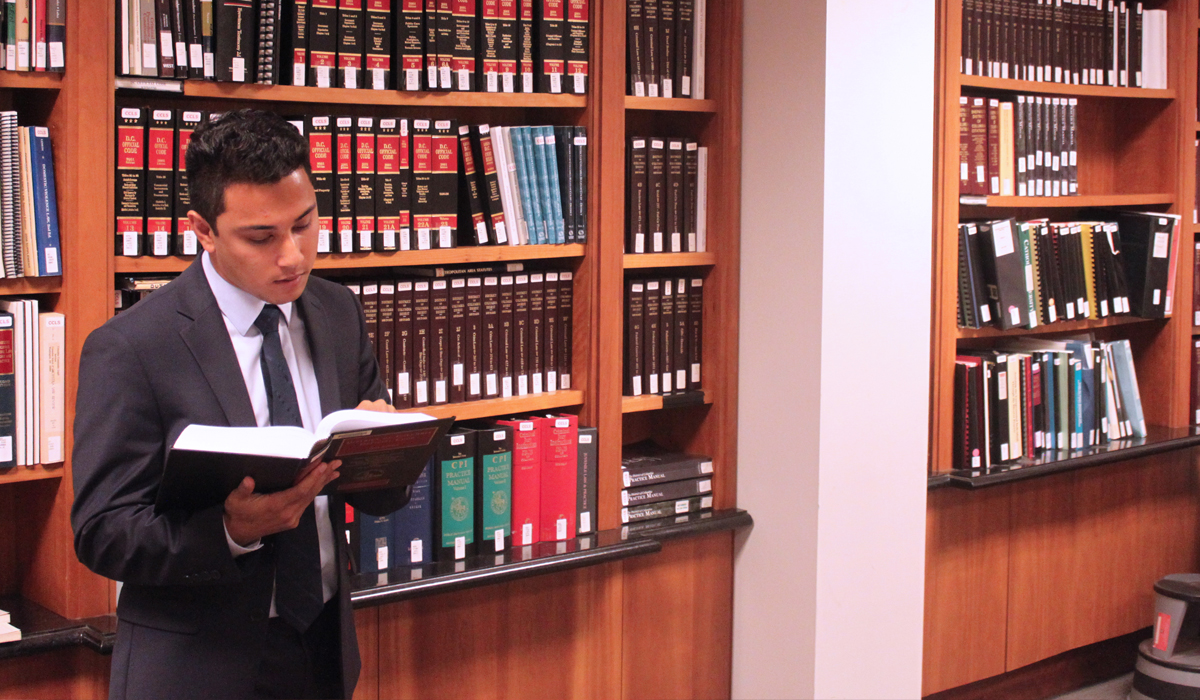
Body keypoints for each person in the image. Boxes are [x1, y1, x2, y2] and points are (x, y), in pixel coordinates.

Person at [71, 109, 407, 700]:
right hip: (197, 669)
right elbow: (103, 532)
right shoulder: (131, 347)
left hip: (323, 648)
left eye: (304, 225)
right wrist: (228, 531)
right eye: (261, 237)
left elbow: (379, 492)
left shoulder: (337, 313)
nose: (293, 257)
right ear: (203, 229)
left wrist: (387, 450)